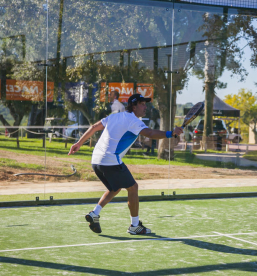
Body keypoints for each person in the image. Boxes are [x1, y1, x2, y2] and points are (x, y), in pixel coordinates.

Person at [68, 94, 183, 235]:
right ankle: (135, 226)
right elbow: (151, 133)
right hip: (110, 160)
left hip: (96, 160)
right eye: (142, 104)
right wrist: (171, 133)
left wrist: (79, 143)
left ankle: (94, 214)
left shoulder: (115, 116)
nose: (145, 107)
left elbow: (94, 127)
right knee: (133, 187)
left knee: (115, 187)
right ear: (133, 106)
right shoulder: (133, 121)